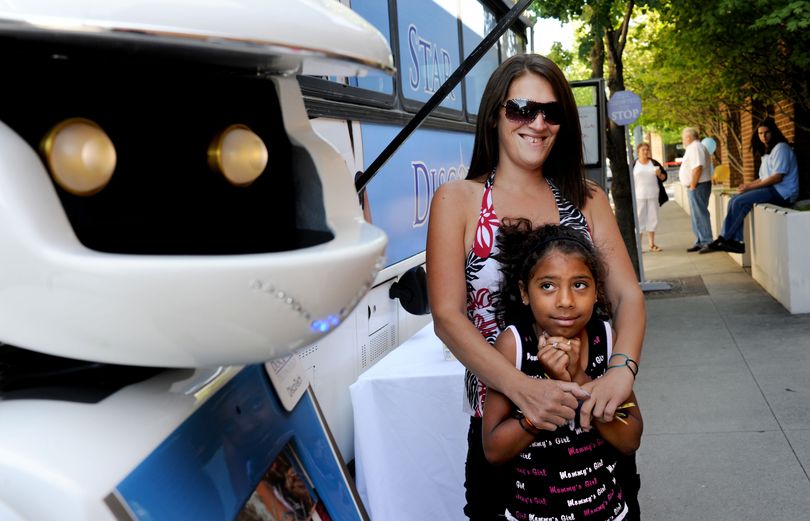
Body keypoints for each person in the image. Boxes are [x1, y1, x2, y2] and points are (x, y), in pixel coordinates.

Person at [426, 54, 645, 520]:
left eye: (552, 112)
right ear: (495, 116)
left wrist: (623, 370)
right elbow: (447, 316)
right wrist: (524, 389)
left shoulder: (587, 199)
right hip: (504, 426)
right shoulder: (460, 200)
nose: (538, 123)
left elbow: (627, 295)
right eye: (522, 109)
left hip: (595, 416)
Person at [482, 222, 643, 521]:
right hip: (534, 514)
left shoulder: (606, 340)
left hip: (606, 512)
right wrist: (540, 409)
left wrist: (578, 381)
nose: (566, 300)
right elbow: (493, 449)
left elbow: (630, 438)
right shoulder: (514, 346)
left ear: (597, 290)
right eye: (547, 286)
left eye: (580, 284)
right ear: (524, 292)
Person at [700, 117, 799, 254]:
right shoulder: (768, 152)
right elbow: (763, 178)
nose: (763, 136)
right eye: (760, 133)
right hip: (772, 189)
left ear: (773, 132)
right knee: (734, 199)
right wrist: (747, 185)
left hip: (783, 193)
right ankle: (736, 242)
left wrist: (750, 188)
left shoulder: (781, 148)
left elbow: (777, 177)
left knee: (740, 201)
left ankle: (725, 239)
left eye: (766, 133)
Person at [678, 127, 713, 252]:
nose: (683, 140)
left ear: (688, 137)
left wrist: (692, 185)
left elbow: (698, 167)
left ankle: (707, 241)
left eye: (683, 137)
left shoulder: (696, 147)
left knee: (700, 213)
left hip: (698, 185)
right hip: (697, 185)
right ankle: (700, 240)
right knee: (696, 215)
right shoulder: (693, 148)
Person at [633, 142, 668, 252]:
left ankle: (652, 245)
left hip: (653, 195)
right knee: (639, 220)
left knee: (653, 218)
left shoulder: (654, 163)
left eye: (647, 149)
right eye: (643, 150)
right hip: (639, 196)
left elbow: (664, 178)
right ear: (638, 152)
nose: (646, 152)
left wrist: (659, 174)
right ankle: (638, 246)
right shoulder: (634, 165)